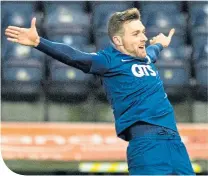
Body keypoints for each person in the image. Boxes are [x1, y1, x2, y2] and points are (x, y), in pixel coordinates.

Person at [5, 8, 195, 175]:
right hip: (147, 145)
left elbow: (153, 52)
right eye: (136, 33)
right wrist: (39, 42)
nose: (143, 38)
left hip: (175, 143)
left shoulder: (145, 57)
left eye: (143, 32)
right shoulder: (108, 61)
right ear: (118, 41)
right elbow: (75, 57)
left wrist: (161, 44)